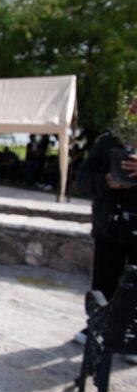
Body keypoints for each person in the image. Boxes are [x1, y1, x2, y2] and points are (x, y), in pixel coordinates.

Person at [75, 128, 137, 364]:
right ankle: (97, 327)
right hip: (109, 228)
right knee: (103, 282)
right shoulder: (107, 142)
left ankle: (132, 336)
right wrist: (106, 181)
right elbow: (83, 178)